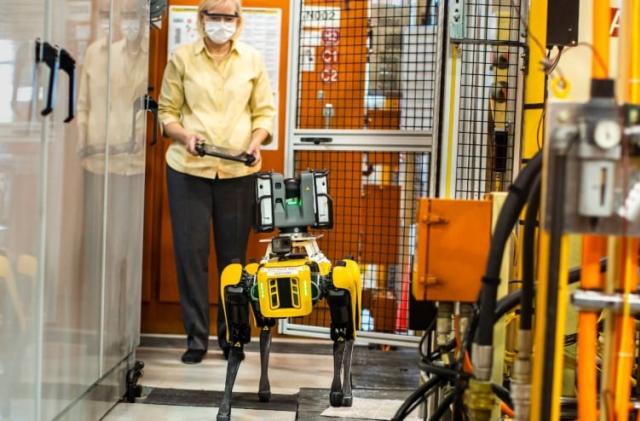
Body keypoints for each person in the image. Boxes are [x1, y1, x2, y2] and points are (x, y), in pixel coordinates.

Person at [158, 0, 275, 364]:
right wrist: (184, 135)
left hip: (238, 172)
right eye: (215, 16)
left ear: (238, 22)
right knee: (191, 255)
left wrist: (256, 143)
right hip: (188, 169)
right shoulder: (181, 58)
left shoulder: (252, 60)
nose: (222, 23)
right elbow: (166, 112)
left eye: (229, 17)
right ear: (201, 19)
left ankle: (232, 338)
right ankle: (195, 338)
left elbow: (264, 113)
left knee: (233, 260)